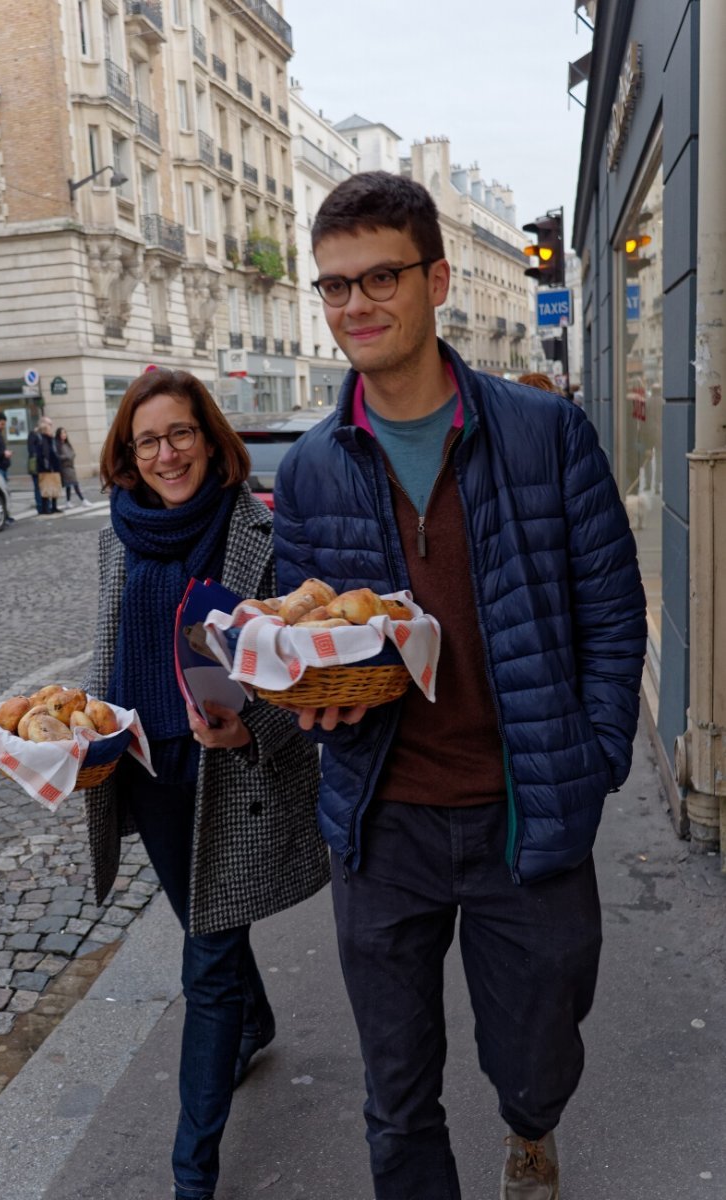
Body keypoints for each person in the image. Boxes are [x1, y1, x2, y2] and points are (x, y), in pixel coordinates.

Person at [272, 171, 647, 1200]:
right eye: (335, 286)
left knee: (538, 1056)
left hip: (524, 811)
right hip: (381, 823)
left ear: (437, 280)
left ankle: (531, 1127)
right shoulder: (309, 468)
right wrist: (315, 710)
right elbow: (298, 633)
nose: (355, 305)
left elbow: (614, 616)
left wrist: (594, 754)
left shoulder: (545, 435)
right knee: (396, 1098)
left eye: (380, 277)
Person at [82, 367, 327, 1200]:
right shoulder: (116, 535)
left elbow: (298, 671)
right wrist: (85, 736)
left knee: (207, 964)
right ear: (128, 453)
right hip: (150, 776)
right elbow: (104, 648)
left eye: (180, 433)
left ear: (209, 437)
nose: (166, 453)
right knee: (207, 923)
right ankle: (256, 1023)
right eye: (147, 440)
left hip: (232, 776)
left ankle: (192, 1177)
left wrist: (248, 726)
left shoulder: (257, 533)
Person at [54, 426, 91, 508]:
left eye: (65, 433)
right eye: (62, 433)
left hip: (71, 467)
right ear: (58, 434)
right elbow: (58, 456)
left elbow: (72, 453)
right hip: (65, 468)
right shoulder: (57, 445)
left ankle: (68, 501)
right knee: (75, 484)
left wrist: (70, 456)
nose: (64, 434)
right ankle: (83, 500)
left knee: (69, 485)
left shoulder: (67, 444)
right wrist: (66, 456)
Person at [34, 415, 61, 514]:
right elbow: (40, 453)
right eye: (49, 424)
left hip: (54, 466)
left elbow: (54, 451)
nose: (51, 426)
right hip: (44, 467)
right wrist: (46, 465)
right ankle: (45, 508)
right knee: (45, 488)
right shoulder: (39, 437)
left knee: (54, 486)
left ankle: (54, 507)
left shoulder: (51, 438)